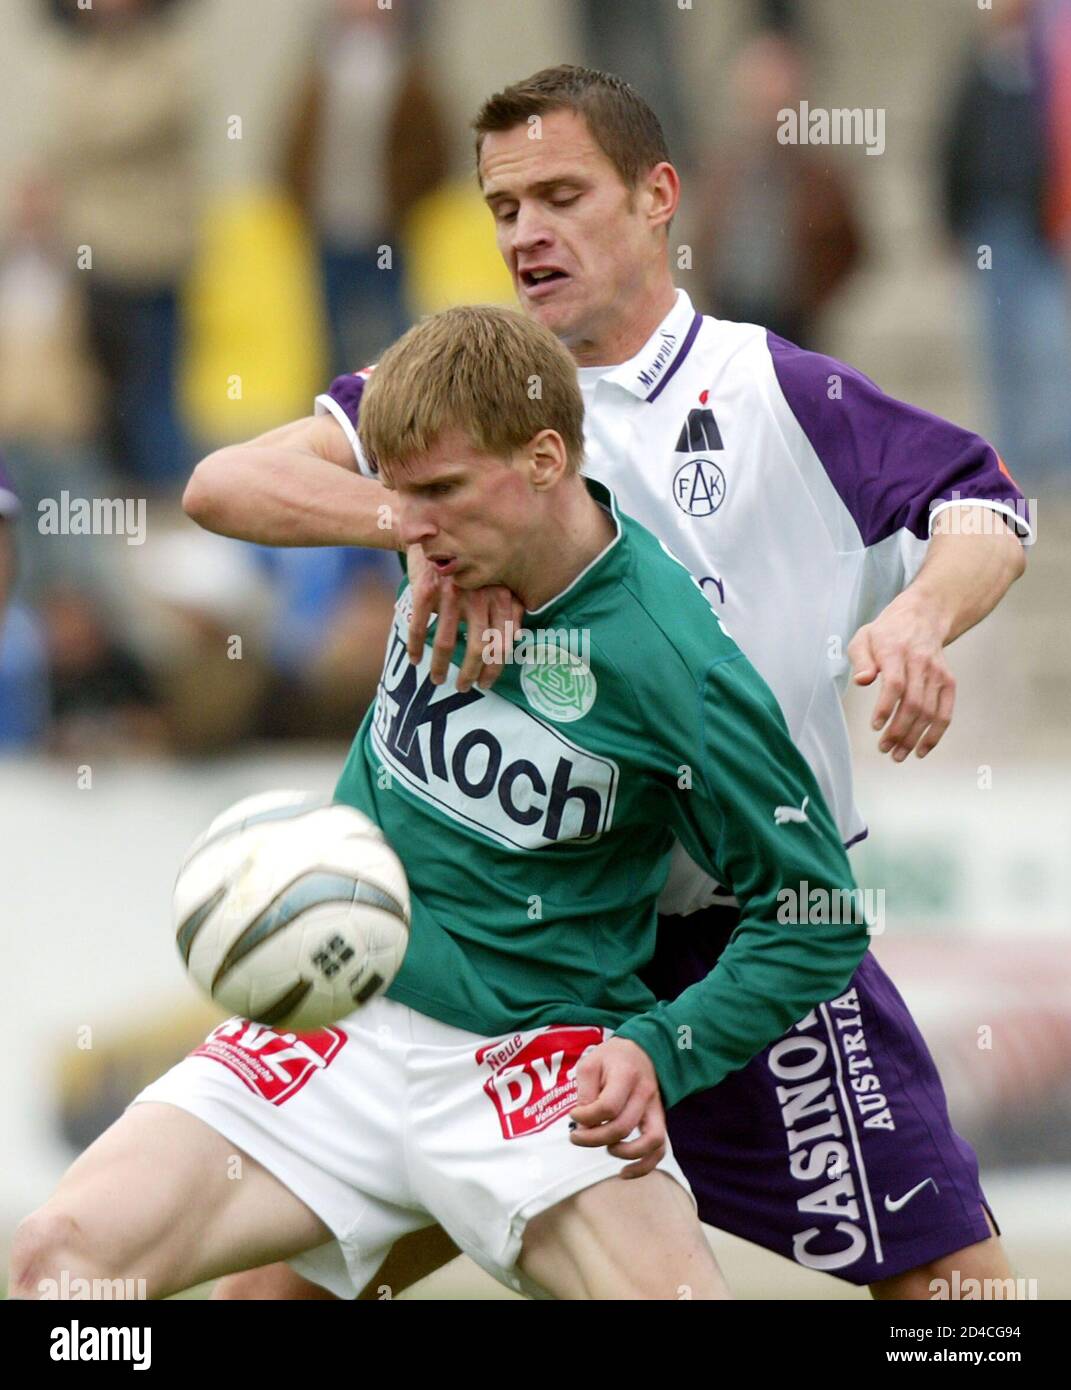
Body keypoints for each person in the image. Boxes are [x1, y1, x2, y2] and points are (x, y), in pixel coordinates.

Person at [184, 67, 1029, 1299]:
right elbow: (225, 484)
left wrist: (918, 615)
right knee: (283, 1289)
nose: (526, 231)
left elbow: (988, 507)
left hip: (751, 938)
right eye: (504, 205)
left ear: (657, 199)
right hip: (529, 938)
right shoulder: (475, 397)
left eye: (561, 194)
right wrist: (420, 522)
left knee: (956, 1291)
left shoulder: (772, 392)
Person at [9, 306, 871, 1302]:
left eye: (443, 494)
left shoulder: (674, 659)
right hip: (340, 1017)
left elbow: (818, 915)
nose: (412, 522)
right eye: (397, 496)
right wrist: (409, 526)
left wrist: (662, 1048)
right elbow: (219, 487)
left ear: (546, 458)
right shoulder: (438, 542)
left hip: (536, 1064)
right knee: (59, 1265)